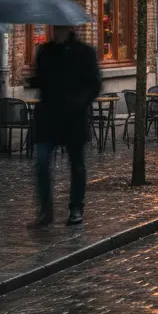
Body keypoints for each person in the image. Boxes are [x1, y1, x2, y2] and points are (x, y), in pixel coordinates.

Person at [26, 25, 101, 228]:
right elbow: (42, 82)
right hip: (49, 118)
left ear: (69, 29)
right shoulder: (44, 52)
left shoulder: (84, 53)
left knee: (77, 164)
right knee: (41, 162)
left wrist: (78, 103)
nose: (57, 31)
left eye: (61, 28)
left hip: (74, 118)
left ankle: (76, 208)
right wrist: (34, 80)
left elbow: (94, 85)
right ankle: (45, 211)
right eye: (55, 28)